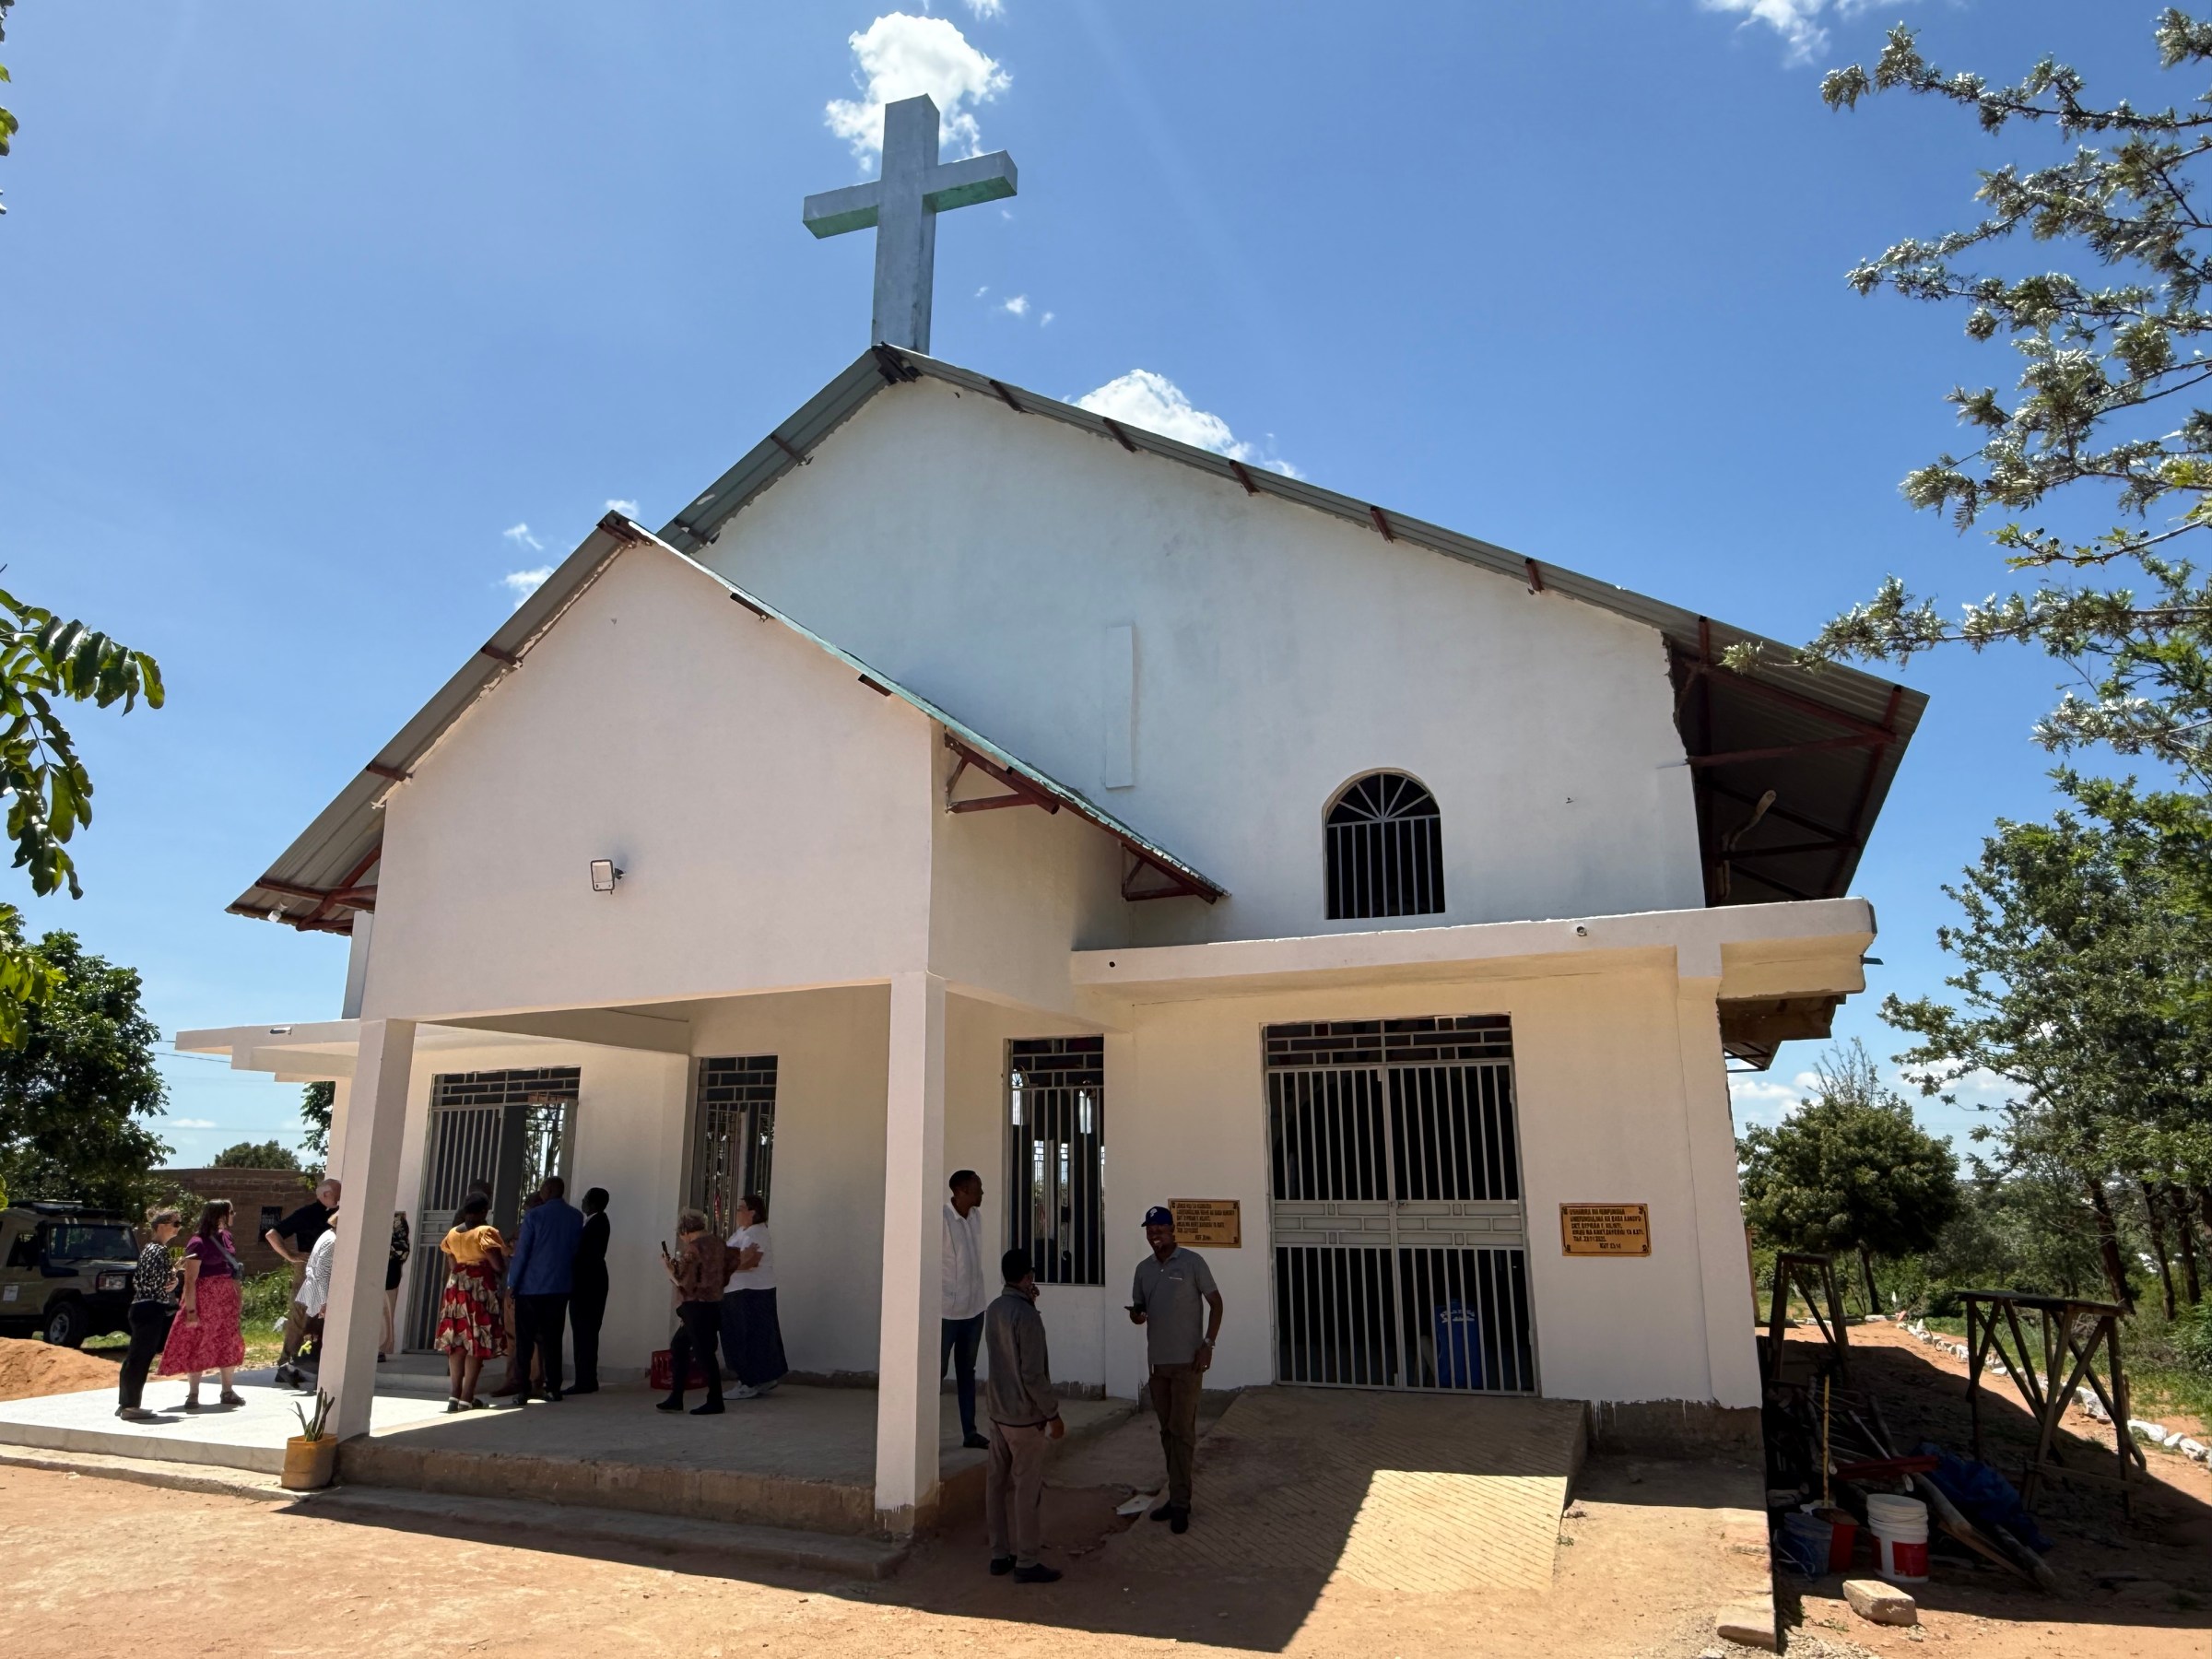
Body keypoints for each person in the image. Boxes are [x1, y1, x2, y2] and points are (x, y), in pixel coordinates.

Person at [1127, 1205, 1223, 1534]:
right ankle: (1175, 1495)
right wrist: (1136, 1315)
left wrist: (1207, 1344)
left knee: (1182, 1433)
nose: (1155, 1236)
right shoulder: (1143, 1270)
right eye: (1150, 1231)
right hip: (1159, 1366)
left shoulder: (1193, 1263)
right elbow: (1139, 1309)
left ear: (1172, 1230)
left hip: (1188, 1365)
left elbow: (1216, 1303)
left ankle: (1181, 1503)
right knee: (1168, 1433)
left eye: (1160, 1230)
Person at [983, 1247, 1065, 1583]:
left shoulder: (994, 1309)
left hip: (997, 1413)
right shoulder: (1027, 1316)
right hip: (1023, 1418)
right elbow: (1032, 1374)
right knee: (1026, 1490)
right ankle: (1027, 1561)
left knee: (996, 1485)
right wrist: (1053, 1413)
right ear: (1027, 1277)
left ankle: (999, 1553)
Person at [159, 1199, 247, 1410]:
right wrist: (191, 1311)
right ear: (219, 1215)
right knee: (198, 1342)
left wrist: (238, 1297)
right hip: (204, 1299)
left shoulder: (227, 1237)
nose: (234, 1215)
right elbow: (190, 1279)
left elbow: (232, 1271)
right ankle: (193, 1394)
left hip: (225, 1300)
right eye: (231, 1212)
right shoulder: (197, 1242)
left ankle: (227, 1390)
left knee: (228, 1341)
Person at [504, 1175, 583, 1405]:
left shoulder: (534, 1216)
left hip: (531, 1286)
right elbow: (574, 1250)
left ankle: (522, 1389)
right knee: (553, 1339)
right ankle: (553, 1387)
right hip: (559, 1286)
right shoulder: (575, 1217)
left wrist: (512, 1283)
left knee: (524, 1340)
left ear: (548, 1190)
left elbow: (522, 1253)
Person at [434, 1194, 508, 1412]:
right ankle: (468, 1396)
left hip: (456, 1288)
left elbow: (452, 1262)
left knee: (457, 1341)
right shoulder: (486, 1232)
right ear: (485, 1211)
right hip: (479, 1288)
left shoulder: (452, 1234)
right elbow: (497, 1265)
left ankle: (454, 1395)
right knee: (477, 1340)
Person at [266, 1176, 340, 1390]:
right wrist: (289, 1255)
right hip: (310, 1264)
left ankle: (307, 1363)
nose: (341, 1197)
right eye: (338, 1193)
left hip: (328, 1264)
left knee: (320, 1316)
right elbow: (272, 1234)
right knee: (302, 1313)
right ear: (326, 1194)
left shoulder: (337, 1214)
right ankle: (286, 1363)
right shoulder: (307, 1213)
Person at [719, 1192, 788, 1401]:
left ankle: (748, 1381)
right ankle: (762, 1378)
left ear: (752, 1212)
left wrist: (723, 1269)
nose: (737, 1213)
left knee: (747, 1337)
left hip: (749, 1293)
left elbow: (749, 1262)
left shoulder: (755, 1233)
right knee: (755, 1336)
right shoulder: (743, 1231)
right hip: (741, 1291)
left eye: (740, 1209)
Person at [658, 1208, 726, 1416]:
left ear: (686, 1231)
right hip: (714, 1302)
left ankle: (715, 1400)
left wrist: (668, 1268)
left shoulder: (693, 1249)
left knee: (703, 1353)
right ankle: (676, 1397)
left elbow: (684, 1282)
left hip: (696, 1305)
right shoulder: (718, 1243)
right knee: (680, 1345)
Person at [115, 1207, 182, 1421]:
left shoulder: (149, 1249)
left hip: (142, 1306)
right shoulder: (159, 1251)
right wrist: (174, 1278)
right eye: (175, 1224)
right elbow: (161, 1283)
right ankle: (130, 1405)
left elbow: (145, 1279)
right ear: (161, 1226)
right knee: (140, 1357)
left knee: (136, 1356)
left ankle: (126, 1402)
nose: (178, 1229)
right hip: (150, 1307)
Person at [942, 1169, 991, 1451]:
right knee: (935, 1371)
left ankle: (969, 1432)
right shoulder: (942, 1219)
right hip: (946, 1311)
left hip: (974, 1309)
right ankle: (923, 1434)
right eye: (977, 1188)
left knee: (966, 1371)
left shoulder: (976, 1218)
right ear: (961, 1191)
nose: (981, 1193)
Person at [569, 1187, 610, 1394]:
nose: (582, 1202)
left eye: (585, 1199)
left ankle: (584, 1380)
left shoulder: (597, 1222)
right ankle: (586, 1378)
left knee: (585, 1331)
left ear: (592, 1203)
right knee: (585, 1332)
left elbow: (583, 1253)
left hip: (588, 1283)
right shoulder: (595, 1221)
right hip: (590, 1281)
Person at [293, 1207, 341, 1386]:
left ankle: (302, 1370)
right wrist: (325, 1302)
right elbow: (323, 1272)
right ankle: (297, 1370)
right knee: (318, 1338)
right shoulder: (333, 1240)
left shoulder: (327, 1235)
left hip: (316, 1294)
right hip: (320, 1296)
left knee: (315, 1336)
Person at [380, 1210, 410, 1362]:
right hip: (365, 1274)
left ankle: (380, 1350)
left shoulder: (396, 1220)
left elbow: (403, 1250)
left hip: (388, 1276)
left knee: (385, 1312)